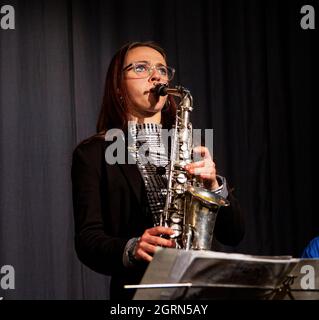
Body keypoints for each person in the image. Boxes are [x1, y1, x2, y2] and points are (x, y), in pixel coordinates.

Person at [71, 41, 245, 300]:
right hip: (142, 291)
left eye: (162, 70)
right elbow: (87, 239)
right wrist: (132, 248)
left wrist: (214, 187)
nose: (156, 76)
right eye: (141, 68)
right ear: (118, 87)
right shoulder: (93, 153)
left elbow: (234, 235)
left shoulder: (188, 144)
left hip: (203, 290)